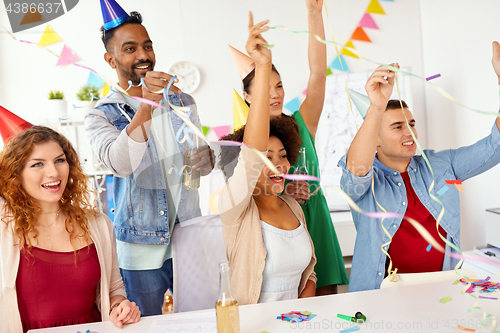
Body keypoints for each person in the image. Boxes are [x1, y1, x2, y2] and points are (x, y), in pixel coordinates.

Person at [84, 0, 213, 316]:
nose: (143, 55)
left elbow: (199, 165)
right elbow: (121, 163)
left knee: (199, 320)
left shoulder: (182, 100)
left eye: (147, 46)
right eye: (129, 48)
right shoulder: (101, 114)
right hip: (140, 247)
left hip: (189, 235)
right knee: (144, 325)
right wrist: (147, 103)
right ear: (110, 58)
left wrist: (207, 158)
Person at [339, 42, 500, 292]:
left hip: (442, 292)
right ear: (376, 139)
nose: (410, 133)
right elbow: (356, 170)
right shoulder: (366, 181)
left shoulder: (441, 164)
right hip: (379, 299)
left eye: (411, 124)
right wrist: (376, 107)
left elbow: (494, 147)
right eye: (397, 126)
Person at [230, 0, 348, 295]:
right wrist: (283, 193)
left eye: (279, 86)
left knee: (324, 308)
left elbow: (318, 75)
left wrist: (313, 14)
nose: (274, 95)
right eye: (263, 89)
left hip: (315, 221)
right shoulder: (246, 142)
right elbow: (240, 197)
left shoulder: (300, 123)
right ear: (247, 96)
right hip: (274, 239)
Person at [0, 126, 140, 333]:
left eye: (59, 160)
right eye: (37, 164)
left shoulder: (98, 223)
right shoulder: (4, 224)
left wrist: (119, 307)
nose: (53, 172)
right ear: (16, 173)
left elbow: (113, 289)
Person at [219, 12, 317, 305]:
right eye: (267, 158)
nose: (278, 165)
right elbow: (252, 153)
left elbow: (309, 272)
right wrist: (262, 66)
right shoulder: (235, 207)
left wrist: (301, 317)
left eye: (283, 156)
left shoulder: (292, 207)